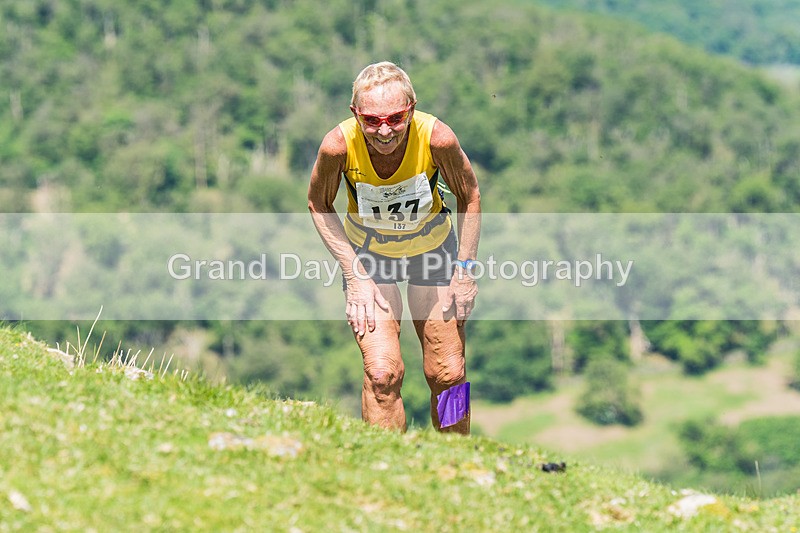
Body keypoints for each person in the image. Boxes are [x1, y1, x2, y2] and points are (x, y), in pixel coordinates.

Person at [307, 61, 481, 434]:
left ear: (412, 110)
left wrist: (464, 271)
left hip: (432, 251)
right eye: (371, 121)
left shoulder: (438, 139)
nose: (384, 131)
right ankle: (386, 466)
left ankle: (460, 460)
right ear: (355, 114)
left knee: (448, 371)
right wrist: (353, 275)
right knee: (382, 373)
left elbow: (470, 196)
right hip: (370, 259)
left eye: (395, 118)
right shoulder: (338, 145)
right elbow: (318, 204)